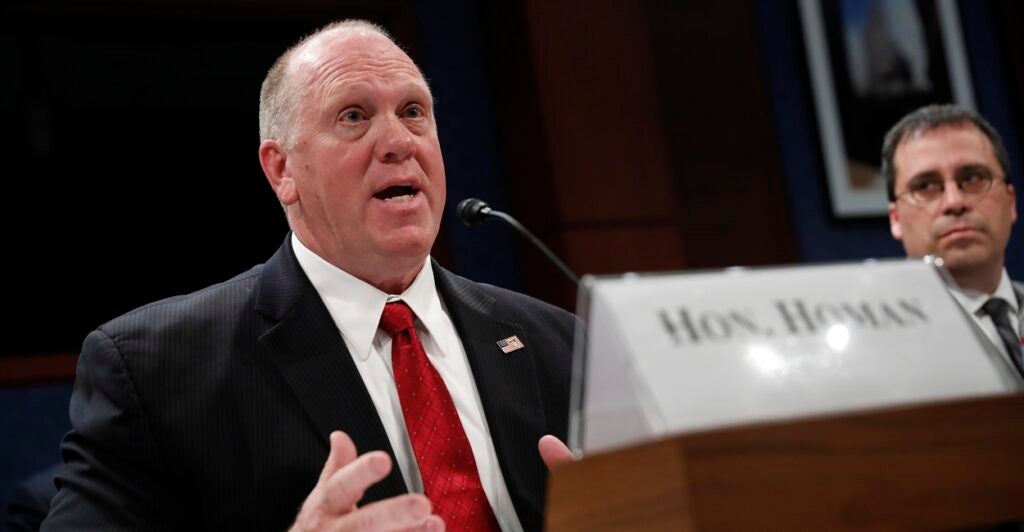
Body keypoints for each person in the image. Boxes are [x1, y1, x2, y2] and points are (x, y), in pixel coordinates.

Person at [42, 19, 575, 532]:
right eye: (353, 116)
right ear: (282, 170)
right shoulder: (158, 369)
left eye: (413, 111)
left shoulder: (560, 342)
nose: (398, 141)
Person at [884, 103, 1022, 376]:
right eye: (925, 186)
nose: (954, 202)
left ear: (1010, 202)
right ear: (895, 218)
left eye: (973, 178)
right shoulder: (881, 344)